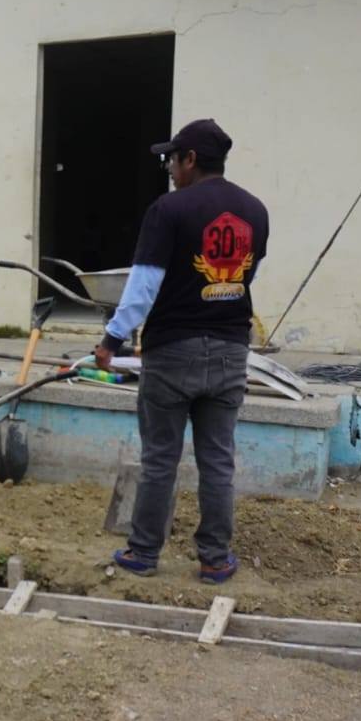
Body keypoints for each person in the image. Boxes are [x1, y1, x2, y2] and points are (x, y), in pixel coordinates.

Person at [95, 119, 269, 586]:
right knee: (218, 461)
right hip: (230, 351)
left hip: (172, 351)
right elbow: (245, 277)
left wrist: (111, 340)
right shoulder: (256, 211)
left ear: (190, 159)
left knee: (159, 459)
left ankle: (143, 553)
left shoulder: (168, 209)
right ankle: (215, 558)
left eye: (172, 159)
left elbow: (143, 288)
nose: (170, 169)